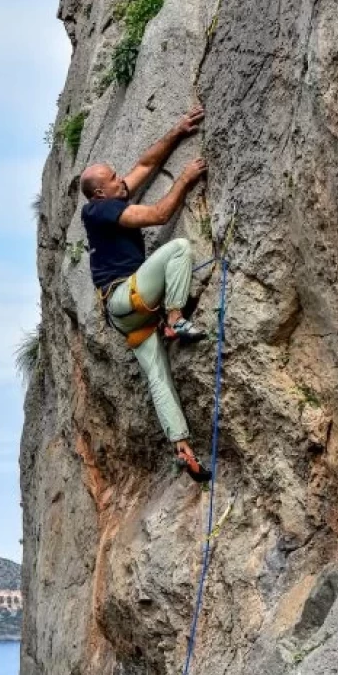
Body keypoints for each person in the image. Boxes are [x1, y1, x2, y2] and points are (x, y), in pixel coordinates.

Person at [80, 106, 211, 482]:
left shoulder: (109, 199)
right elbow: (157, 215)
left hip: (125, 316)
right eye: (114, 178)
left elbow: (143, 165)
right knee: (180, 248)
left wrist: (177, 131)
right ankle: (175, 320)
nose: (123, 180)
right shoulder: (101, 212)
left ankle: (182, 448)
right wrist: (184, 179)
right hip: (127, 296)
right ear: (100, 192)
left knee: (158, 376)